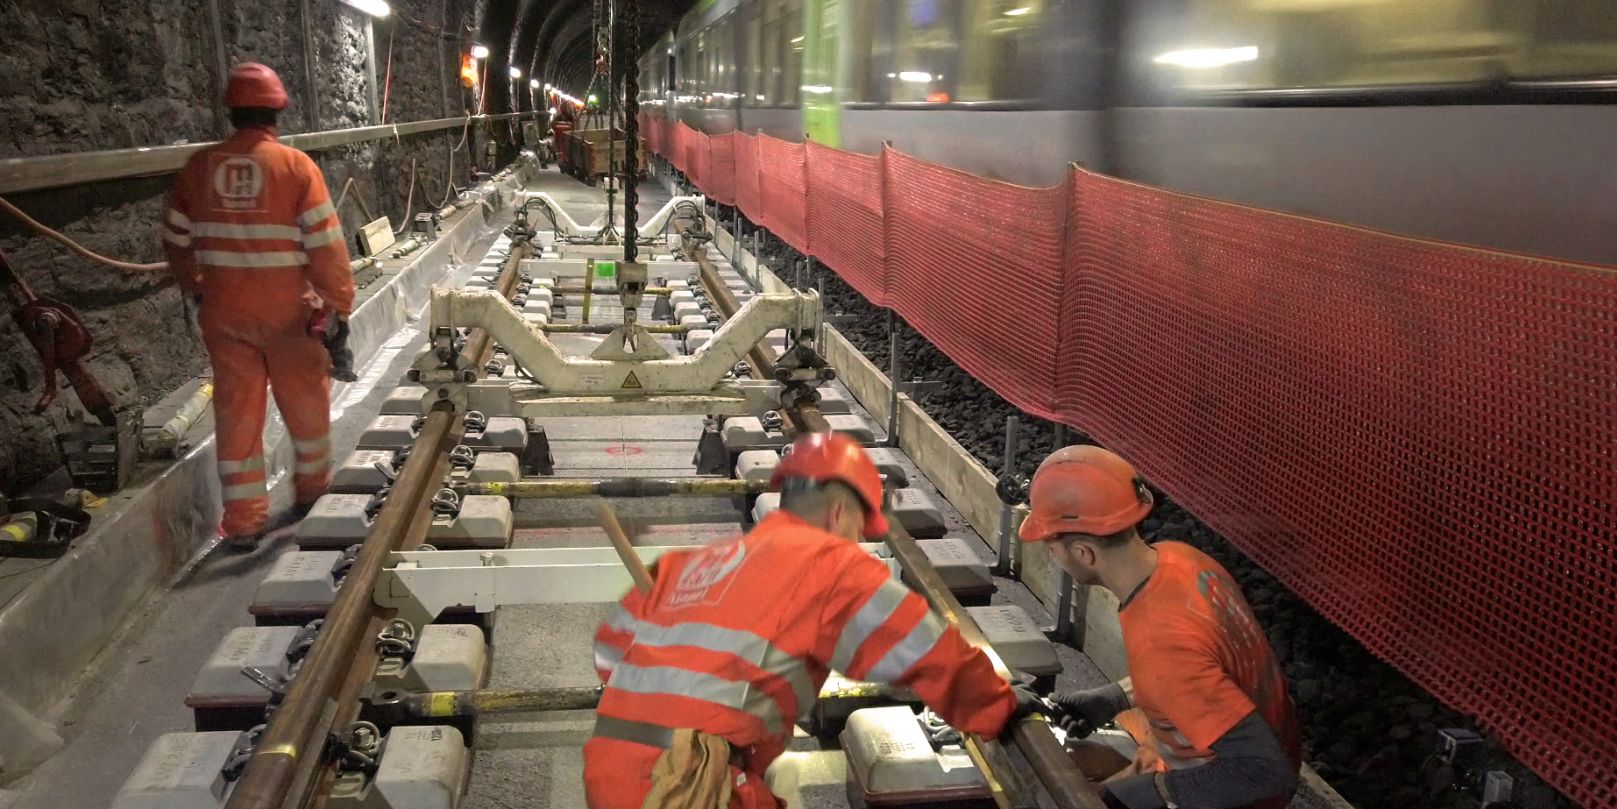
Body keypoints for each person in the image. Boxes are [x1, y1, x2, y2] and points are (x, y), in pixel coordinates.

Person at [585, 432, 1047, 809]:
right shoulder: (828, 563)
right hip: (685, 779)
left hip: (611, 762)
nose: (857, 541)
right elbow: (926, 650)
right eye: (858, 529)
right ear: (840, 511)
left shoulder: (692, 563)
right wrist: (999, 707)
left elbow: (609, 654)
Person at [1019, 445, 1301, 809]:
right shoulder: (1180, 559)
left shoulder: (1160, 639)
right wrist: (1113, 698)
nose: (1052, 556)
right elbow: (1198, 670)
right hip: (1264, 741)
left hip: (1239, 792)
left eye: (1052, 548)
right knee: (1082, 763)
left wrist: (1153, 792)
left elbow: (1264, 772)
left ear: (1084, 552)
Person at [160, 63, 355, 549]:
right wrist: (337, 305)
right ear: (277, 111)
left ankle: (244, 520)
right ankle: (312, 492)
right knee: (307, 406)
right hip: (291, 316)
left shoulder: (199, 169)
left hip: (226, 315)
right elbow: (327, 246)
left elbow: (175, 238)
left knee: (237, 414)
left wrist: (197, 285)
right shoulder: (295, 168)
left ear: (232, 112)